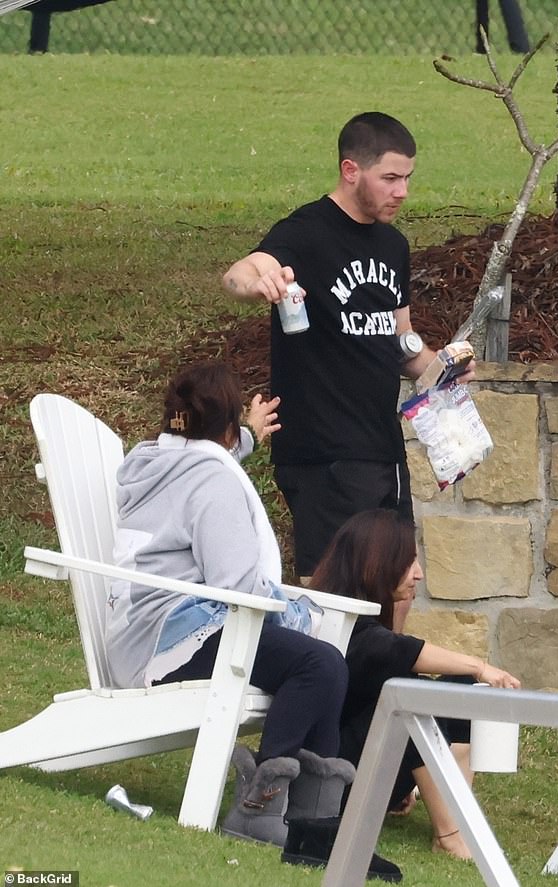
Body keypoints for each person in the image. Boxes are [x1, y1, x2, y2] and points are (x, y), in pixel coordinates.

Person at [105, 361, 399, 881]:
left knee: (324, 664)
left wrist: (245, 438)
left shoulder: (157, 461)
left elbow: (206, 461)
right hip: (172, 641)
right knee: (318, 664)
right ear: (224, 426)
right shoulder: (212, 484)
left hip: (147, 632)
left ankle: (316, 827)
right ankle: (262, 813)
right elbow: (235, 584)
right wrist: (294, 610)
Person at [222, 111, 476, 580]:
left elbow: (400, 342)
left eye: (408, 179)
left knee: (400, 581)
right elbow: (238, 273)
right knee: (333, 591)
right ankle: (329, 659)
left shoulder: (392, 245)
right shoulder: (307, 232)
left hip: (383, 445)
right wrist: (261, 283)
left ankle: (382, 658)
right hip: (324, 450)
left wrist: (441, 367)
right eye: (390, 178)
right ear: (351, 170)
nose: (402, 191)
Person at [311, 508, 521, 860]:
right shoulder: (339, 624)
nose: (419, 575)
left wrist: (474, 673)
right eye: (409, 563)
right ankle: (449, 834)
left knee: (462, 686)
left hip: (368, 768)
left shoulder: (363, 622)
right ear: (376, 563)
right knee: (407, 695)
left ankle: (456, 815)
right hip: (333, 784)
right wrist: (482, 666)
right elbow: (397, 651)